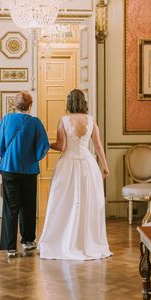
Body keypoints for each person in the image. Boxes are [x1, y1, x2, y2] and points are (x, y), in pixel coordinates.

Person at [38, 89, 112, 260]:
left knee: (63, 203)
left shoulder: (64, 120)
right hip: (88, 166)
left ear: (69, 103)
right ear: (83, 102)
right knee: (88, 203)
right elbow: (98, 145)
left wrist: (47, 144)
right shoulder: (91, 121)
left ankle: (63, 241)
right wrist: (105, 165)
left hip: (68, 165)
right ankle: (86, 241)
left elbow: (62, 147)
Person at [0, 91, 49, 258]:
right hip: (28, 170)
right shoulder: (35, 122)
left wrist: (4, 161)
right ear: (30, 106)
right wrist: (31, 158)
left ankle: (10, 247)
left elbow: (0, 146)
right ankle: (27, 241)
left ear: (15, 105)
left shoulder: (6, 119)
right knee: (28, 205)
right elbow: (43, 146)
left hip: (8, 168)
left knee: (11, 207)